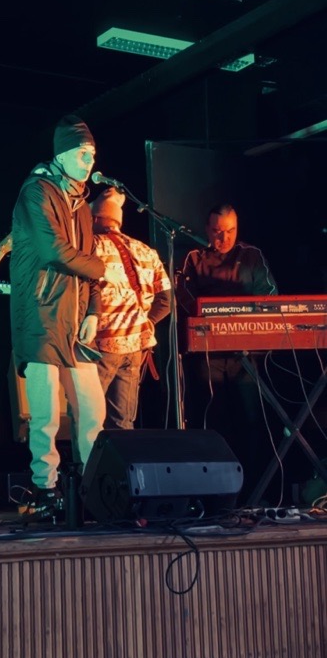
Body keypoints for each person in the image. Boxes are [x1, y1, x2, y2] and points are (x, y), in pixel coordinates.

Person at [10, 113, 125, 521]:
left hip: (76, 321)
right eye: (82, 154)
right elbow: (53, 251)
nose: (90, 161)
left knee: (92, 410)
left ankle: (94, 490)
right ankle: (45, 489)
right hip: (41, 316)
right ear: (61, 155)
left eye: (93, 154)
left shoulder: (81, 204)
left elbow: (87, 259)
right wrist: (103, 270)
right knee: (44, 416)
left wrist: (93, 310)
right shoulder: (36, 192)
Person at [176, 202, 278, 503]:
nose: (224, 238)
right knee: (212, 421)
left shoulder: (251, 255)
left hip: (245, 354)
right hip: (208, 355)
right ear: (207, 230)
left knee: (252, 422)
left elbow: (269, 297)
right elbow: (184, 298)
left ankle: (253, 492)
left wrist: (243, 320)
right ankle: (213, 495)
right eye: (218, 232)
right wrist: (211, 318)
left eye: (230, 231)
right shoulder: (194, 258)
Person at [90, 187, 172, 429]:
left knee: (89, 420)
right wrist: (147, 322)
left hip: (102, 345)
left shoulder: (91, 248)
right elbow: (166, 301)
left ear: (95, 218)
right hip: (136, 348)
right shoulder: (146, 251)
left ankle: (89, 457)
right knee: (122, 423)